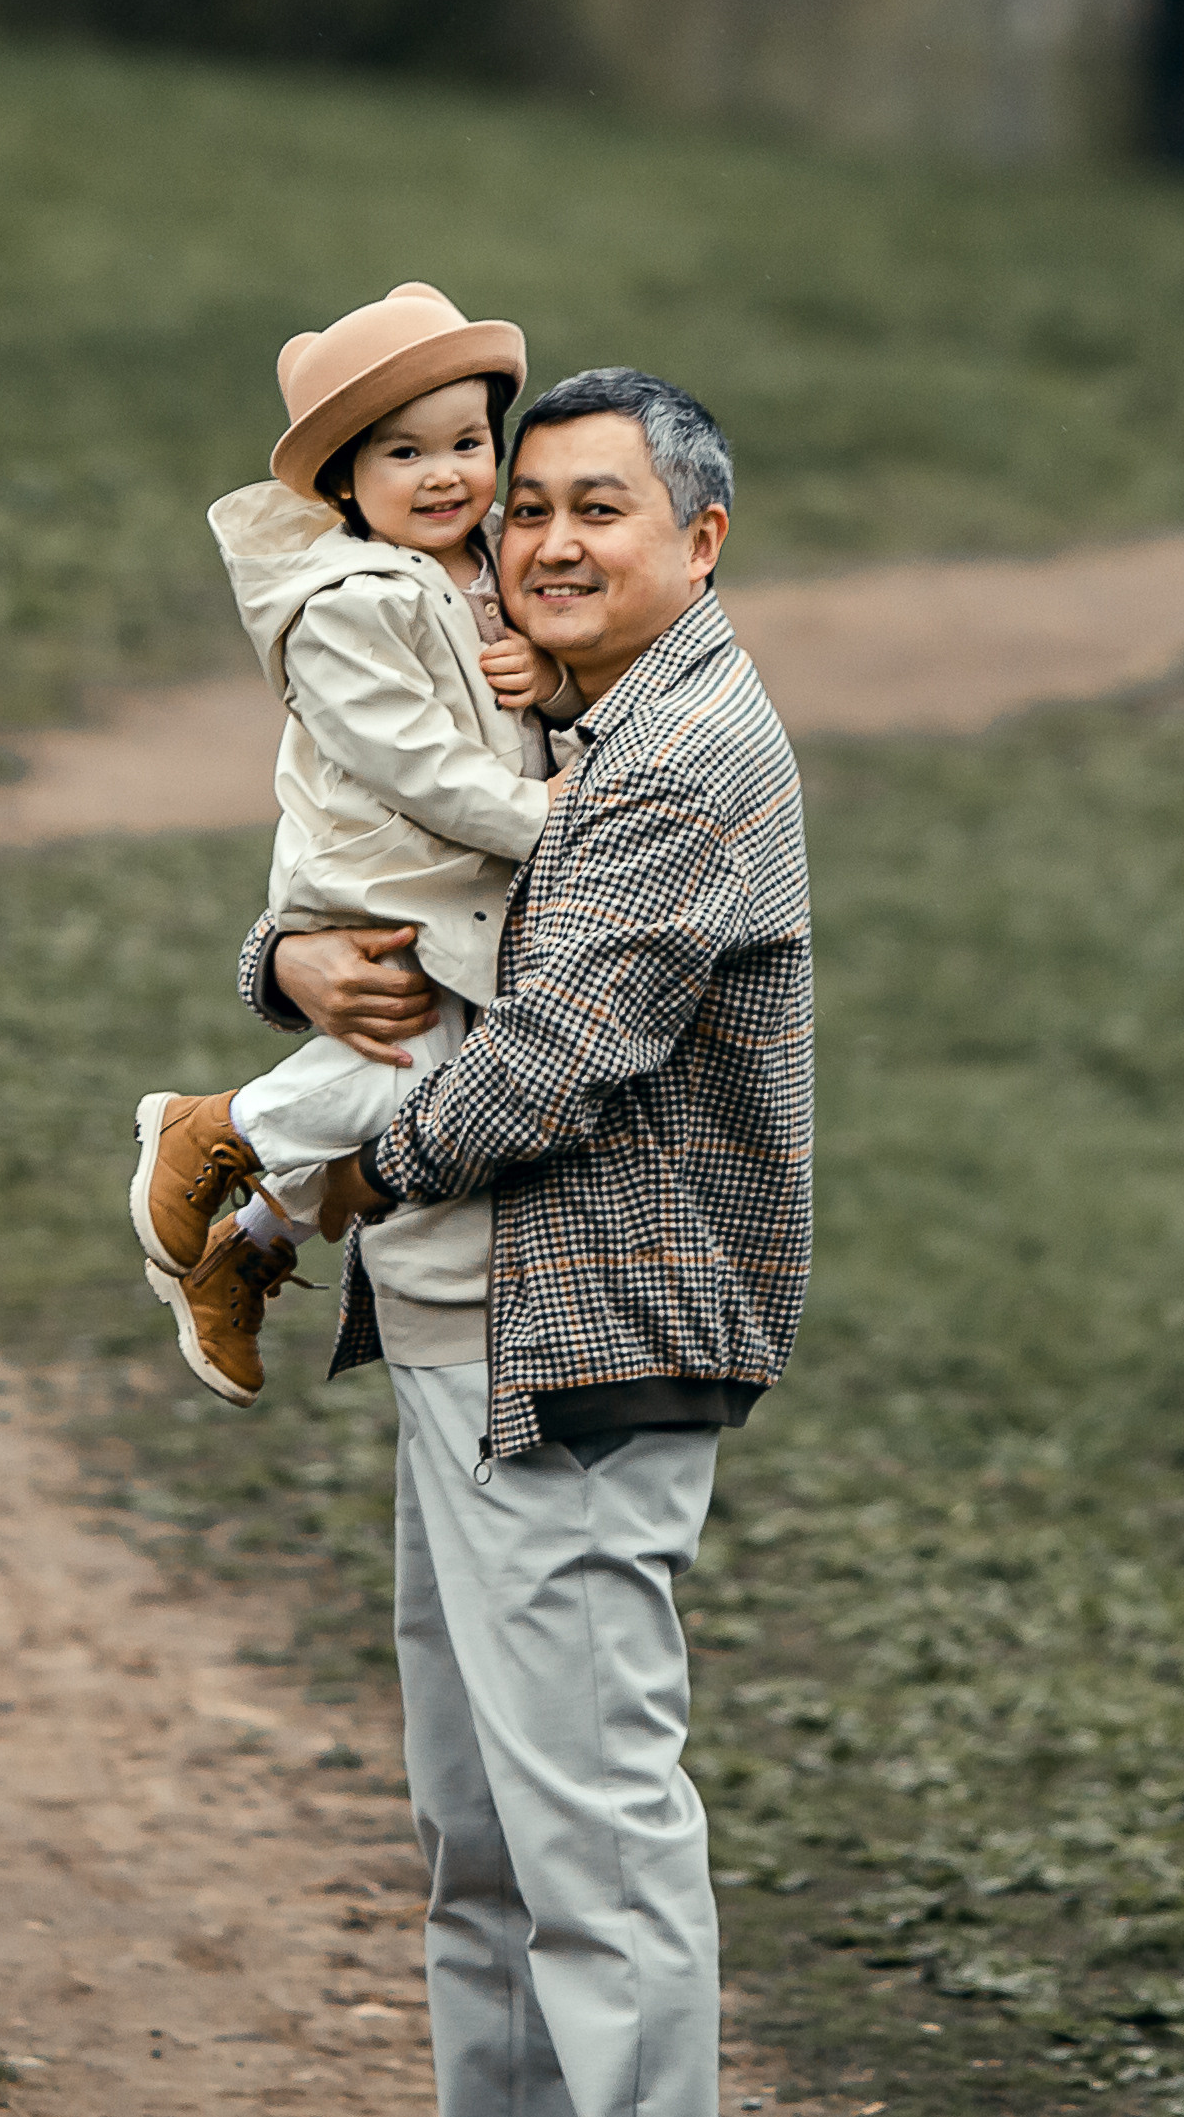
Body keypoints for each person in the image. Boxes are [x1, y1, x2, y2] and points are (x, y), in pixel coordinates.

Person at [243, 369, 814, 2117]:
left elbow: (545, 1063)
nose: (550, 541)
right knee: (478, 1844)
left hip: (577, 1352)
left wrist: (316, 1182)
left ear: (700, 541)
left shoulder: (679, 758)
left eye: (602, 508)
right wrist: (283, 967)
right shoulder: (555, 710)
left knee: (593, 1856)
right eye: (532, 506)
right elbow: (376, 885)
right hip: (461, 1333)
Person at [128, 282, 581, 1407]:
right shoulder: (344, 604)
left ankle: (257, 1238)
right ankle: (217, 1128)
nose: (445, 474)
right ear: (344, 482)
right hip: (382, 876)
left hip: (460, 882)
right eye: (403, 452)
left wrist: (553, 675)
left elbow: (543, 698)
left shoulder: (485, 562)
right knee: (414, 1078)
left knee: (433, 1096)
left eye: (468, 442)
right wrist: (555, 821)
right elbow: (415, 766)